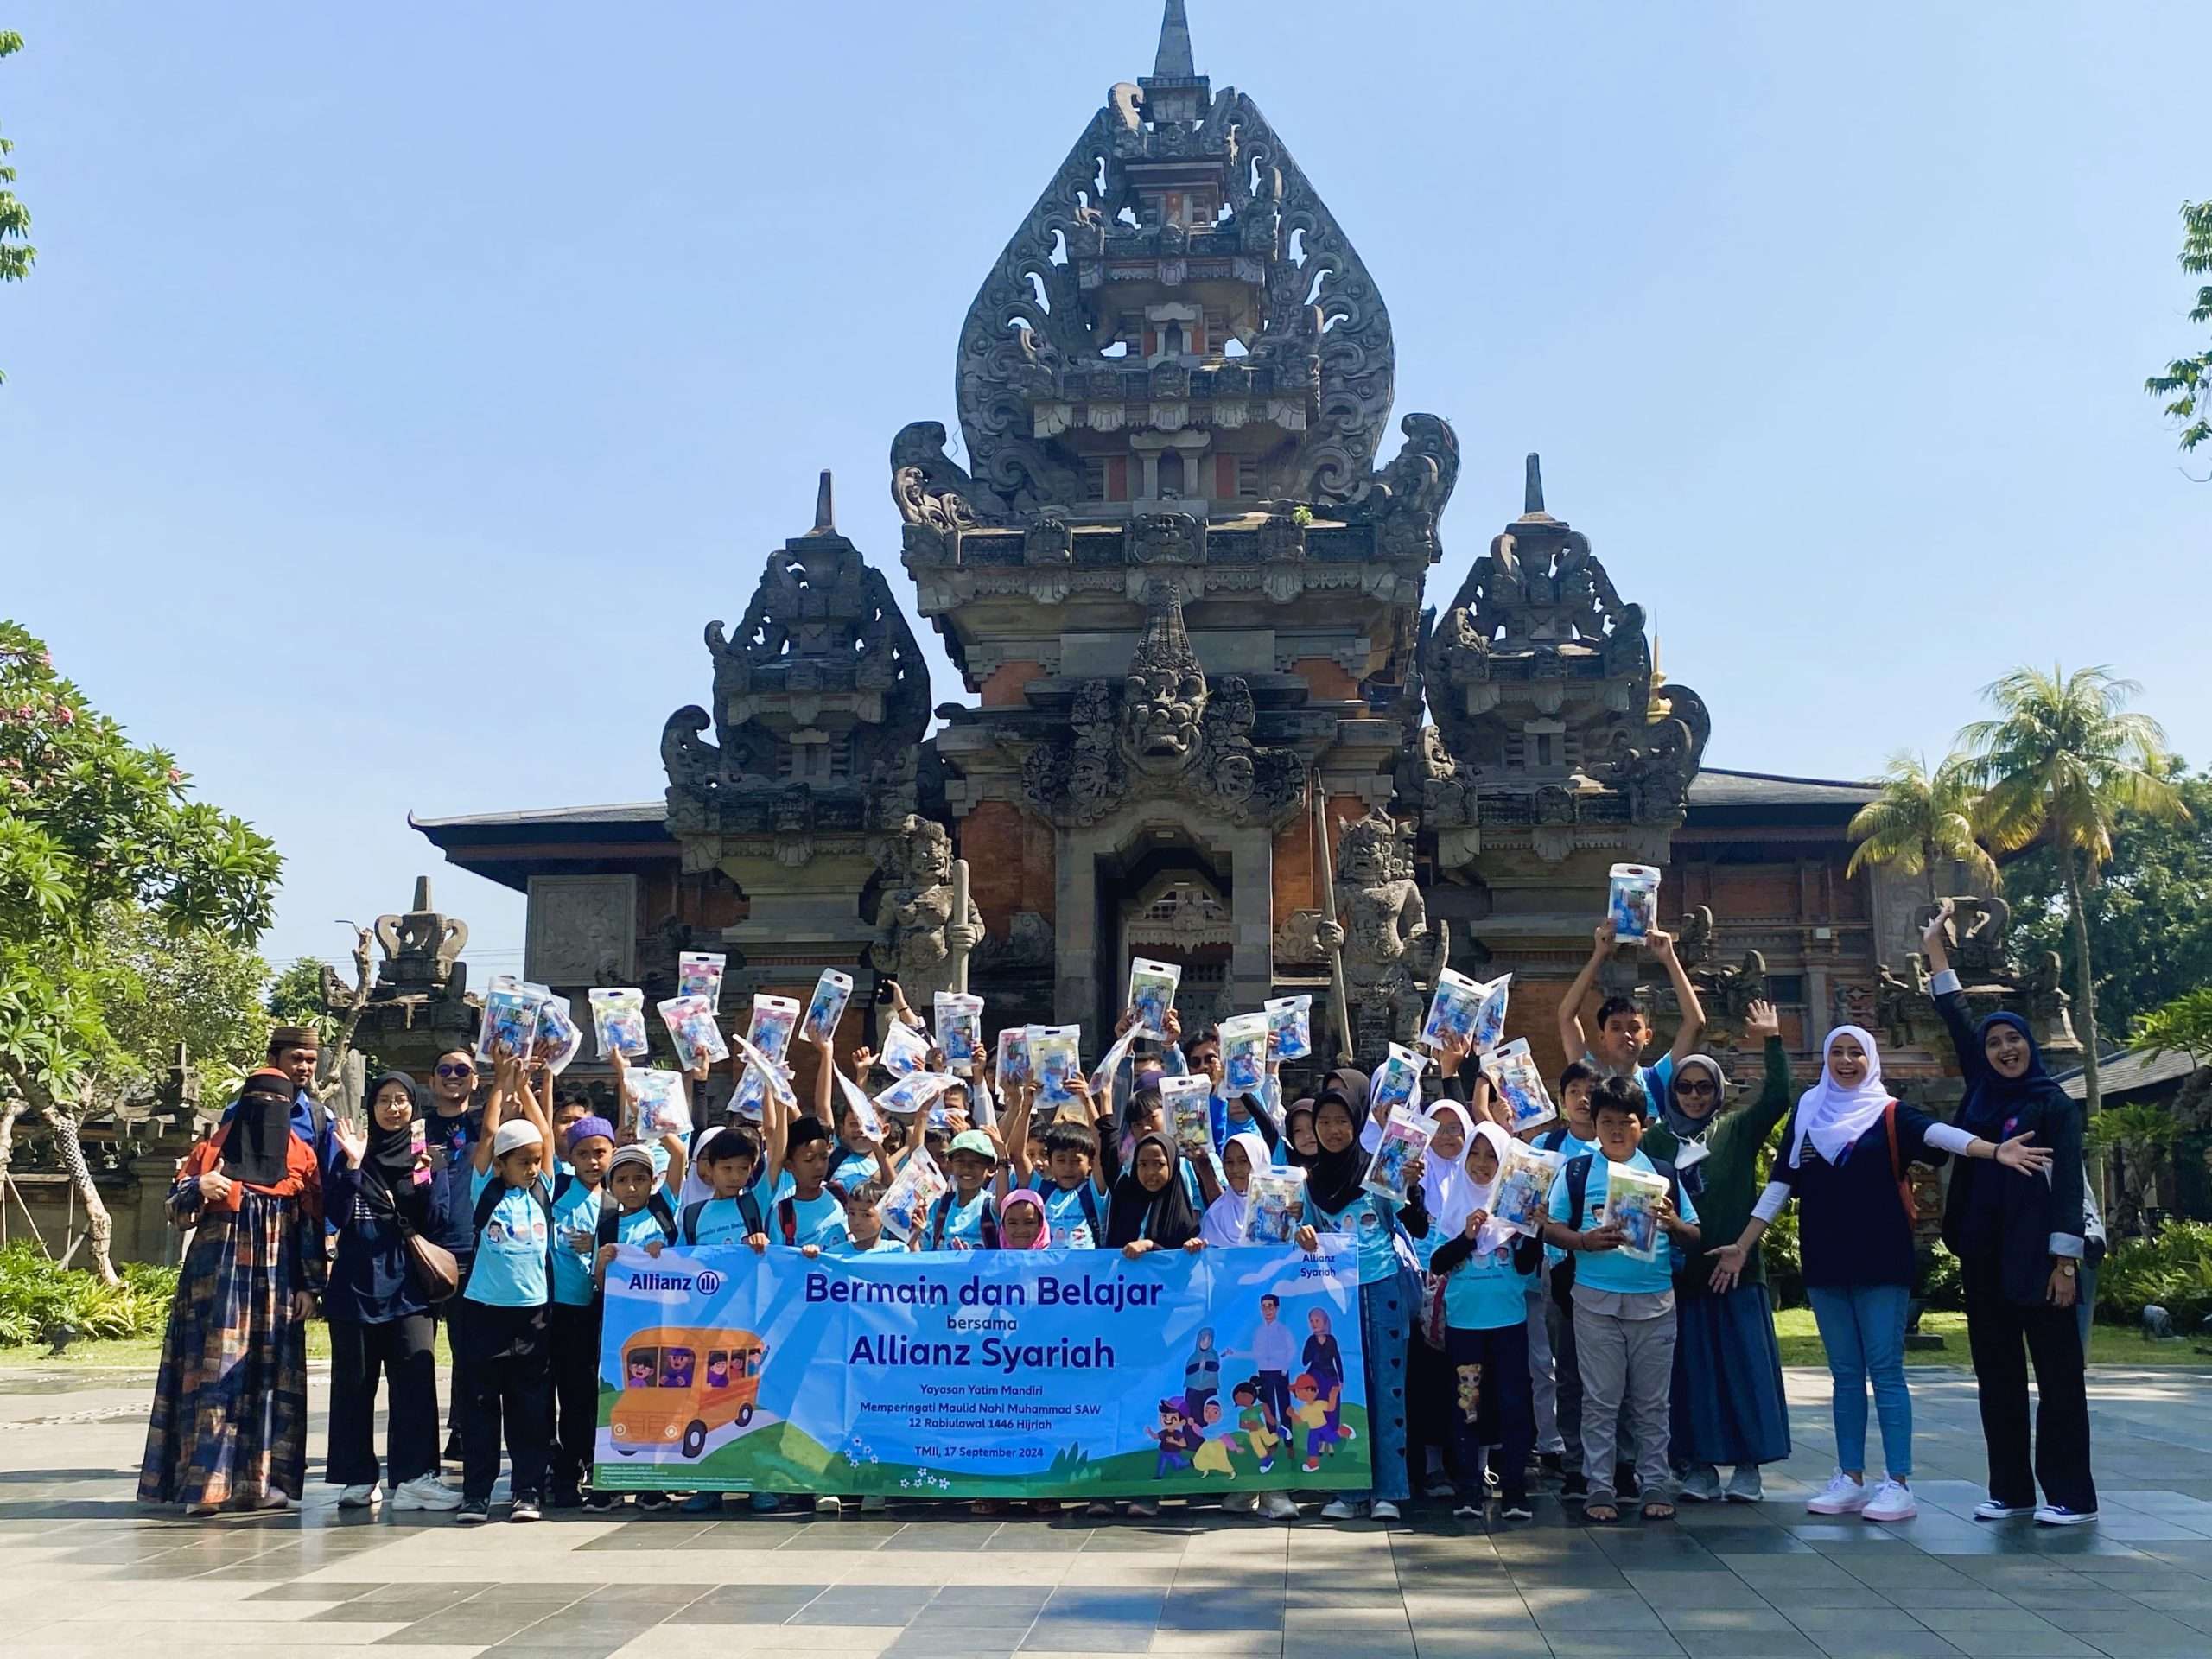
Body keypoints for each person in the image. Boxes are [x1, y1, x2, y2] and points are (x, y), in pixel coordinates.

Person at [1712, 1024, 2050, 1523]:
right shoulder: (1808, 1115)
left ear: (1871, 1059)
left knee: (1885, 1372)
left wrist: (1994, 1150)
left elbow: (1941, 1137)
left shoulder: (1889, 1114)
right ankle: (1849, 1477)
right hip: (1826, 1262)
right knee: (1845, 1375)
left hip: (1882, 1261)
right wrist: (1742, 1245)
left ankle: (1898, 1482)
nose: (1846, 1062)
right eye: (1837, 1053)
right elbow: (1781, 1185)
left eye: (1856, 1053)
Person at [1923, 906, 2098, 1525]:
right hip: (1985, 1257)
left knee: (2058, 1380)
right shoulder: (1980, 1091)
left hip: (2043, 1261)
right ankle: (2011, 1491)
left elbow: (2067, 1189)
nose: (2003, 1049)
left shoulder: (2052, 1105)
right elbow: (1955, 1016)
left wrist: (2065, 1264)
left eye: (2013, 1040)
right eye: (1996, 1042)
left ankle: (2072, 1496)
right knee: (1996, 1377)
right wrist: (1934, 950)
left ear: (2030, 1046)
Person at [140, 1065, 324, 1516]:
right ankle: (204, 1484)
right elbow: (175, 1209)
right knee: (211, 1377)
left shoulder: (301, 1157)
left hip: (276, 1285)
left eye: (280, 1103)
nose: (269, 1112)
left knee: (268, 1379)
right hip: (215, 1287)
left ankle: (261, 1485)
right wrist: (198, 1187)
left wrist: (310, 1286)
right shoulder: (211, 1152)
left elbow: (309, 1227)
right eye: (260, 1101)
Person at [1647, 1001, 1794, 1503]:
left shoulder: (1734, 1131)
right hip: (1682, 1275)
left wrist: (1772, 1040)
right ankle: (1698, 1465)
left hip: (1736, 1269)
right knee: (1692, 1376)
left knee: (1743, 1370)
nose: (1693, 1096)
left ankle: (1749, 1465)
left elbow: (1777, 1099)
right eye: (1684, 1087)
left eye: (1703, 1087)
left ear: (1717, 1093)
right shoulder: (1657, 1138)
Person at [1541, 1076, 1700, 1522]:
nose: (1615, 1130)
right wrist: (1585, 1241)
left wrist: (1672, 1223)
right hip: (1595, 1302)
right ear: (1594, 1124)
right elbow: (1551, 1227)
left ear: (1642, 1124)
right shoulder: (1577, 1173)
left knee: (1651, 1401)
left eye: (1625, 1121)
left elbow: (1695, 1234)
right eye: (1606, 1121)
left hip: (1655, 1303)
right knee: (1601, 1399)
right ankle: (1600, 1484)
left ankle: (1654, 1481)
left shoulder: (1663, 1174)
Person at [322, 1071, 460, 1513]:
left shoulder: (426, 1159)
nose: (393, 1107)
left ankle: (415, 1477)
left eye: (401, 1099)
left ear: (413, 1107)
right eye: (384, 1099)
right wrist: (353, 1165)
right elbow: (335, 1215)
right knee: (353, 1385)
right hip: (356, 1285)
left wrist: (424, 1180)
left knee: (414, 1385)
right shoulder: (351, 1155)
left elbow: (436, 1223)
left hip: (409, 1287)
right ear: (372, 1107)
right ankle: (356, 1477)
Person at [1292, 1071, 1427, 1522]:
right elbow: (1299, 1236)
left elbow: (1416, 1225)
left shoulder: (1378, 1170)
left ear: (1356, 1123)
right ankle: (1348, 1491)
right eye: (1324, 1122)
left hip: (1382, 1286)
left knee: (1388, 1391)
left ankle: (1389, 1490)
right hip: (1335, 1299)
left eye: (1341, 1121)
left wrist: (1411, 1188)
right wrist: (1304, 1235)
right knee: (1341, 1393)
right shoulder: (1309, 1184)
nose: (1332, 1131)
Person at [456, 1050, 556, 1524]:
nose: (533, 1168)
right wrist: (499, 1085)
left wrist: (528, 1091)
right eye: (523, 1162)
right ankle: (476, 1493)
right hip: (483, 1313)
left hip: (532, 1315)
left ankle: (527, 1491)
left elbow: (547, 1135)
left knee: (529, 1408)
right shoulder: (487, 1189)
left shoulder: (543, 1190)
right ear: (501, 1164)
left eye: (536, 1161)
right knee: (479, 1407)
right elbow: (490, 1135)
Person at [1430, 1121, 1544, 1522]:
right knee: (1467, 1406)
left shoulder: (1516, 1208)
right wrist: (1466, 1237)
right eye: (1475, 1155)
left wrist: (1534, 1229)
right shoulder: (1456, 1205)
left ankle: (1514, 1491)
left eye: (1492, 1156)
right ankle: (1467, 1489)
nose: (1481, 1164)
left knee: (1513, 1404)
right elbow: (1439, 1262)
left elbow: (1529, 1264)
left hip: (1508, 1324)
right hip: (1465, 1328)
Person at [1529, 1059, 1600, 1489]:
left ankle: (1615, 1460)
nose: (1583, 1099)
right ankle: (1572, 1455)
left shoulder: (1616, 1147)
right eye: (1574, 1091)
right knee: (1565, 1368)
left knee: (1609, 1374)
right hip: (1555, 1273)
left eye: (1591, 1091)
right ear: (1562, 1099)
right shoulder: (1546, 1145)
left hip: (1609, 1270)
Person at [1556, 921, 1707, 1119]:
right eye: (1616, 1028)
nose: (1626, 1035)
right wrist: (1599, 955)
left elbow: (1695, 1023)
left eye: (1634, 1028)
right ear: (1602, 1037)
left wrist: (1669, 958)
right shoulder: (1591, 1078)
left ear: (1647, 1036)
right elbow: (1566, 1017)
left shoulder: (1658, 1079)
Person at [547, 1111, 617, 1509]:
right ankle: (561, 1469)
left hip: (599, 1311)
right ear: (570, 1158)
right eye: (584, 1154)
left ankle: (593, 1464)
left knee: (588, 1396)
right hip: (559, 1309)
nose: (593, 1161)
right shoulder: (557, 1193)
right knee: (562, 1395)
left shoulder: (613, 1204)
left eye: (600, 1153)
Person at [423, 1046, 484, 1459]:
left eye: (462, 1070)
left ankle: (463, 1430)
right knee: (417, 1352)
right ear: (432, 1081)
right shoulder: (416, 1127)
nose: (453, 1075)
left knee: (468, 1350)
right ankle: (418, 1439)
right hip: (422, 1247)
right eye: (444, 1069)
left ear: (475, 1080)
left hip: (470, 1247)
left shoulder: (483, 1125)